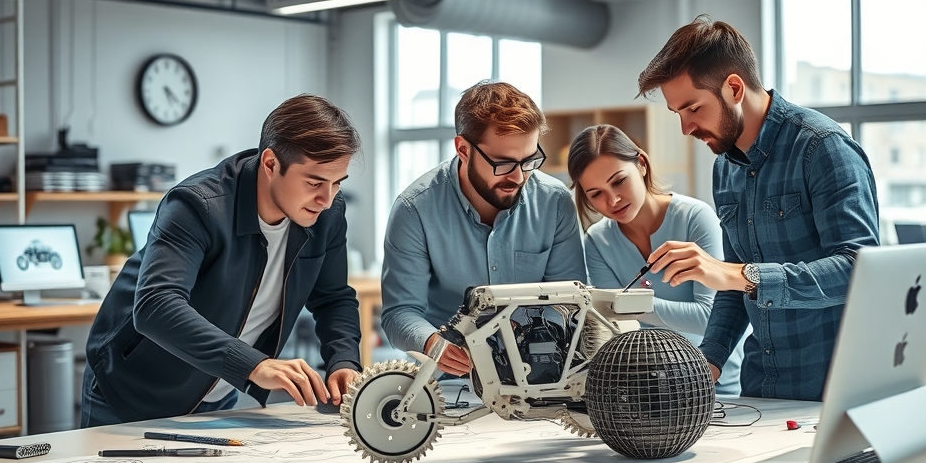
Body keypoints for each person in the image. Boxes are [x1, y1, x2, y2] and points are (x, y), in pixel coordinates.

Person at [81, 94, 364, 426]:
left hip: (217, 396)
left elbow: (332, 298)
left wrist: (344, 360)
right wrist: (255, 365)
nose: (326, 200)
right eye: (315, 182)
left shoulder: (326, 214)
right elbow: (156, 305)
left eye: (336, 184)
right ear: (271, 163)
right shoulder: (196, 205)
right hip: (130, 392)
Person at [638, 16, 880, 401]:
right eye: (677, 114)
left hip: (836, 392)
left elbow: (858, 268)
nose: (686, 127)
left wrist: (743, 274)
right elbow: (734, 289)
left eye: (693, 108)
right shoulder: (724, 169)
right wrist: (708, 363)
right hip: (763, 390)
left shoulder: (823, 147)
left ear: (734, 87)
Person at [381, 81, 588, 376]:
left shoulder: (554, 203)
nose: (518, 176)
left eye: (529, 161)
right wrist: (432, 343)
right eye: (503, 163)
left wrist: (530, 333)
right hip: (450, 382)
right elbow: (399, 312)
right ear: (463, 149)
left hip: (538, 377)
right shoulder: (414, 209)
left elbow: (571, 303)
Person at [567, 124, 744, 396]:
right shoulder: (596, 240)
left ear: (641, 164)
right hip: (648, 391)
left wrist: (626, 303)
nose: (612, 200)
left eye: (618, 181)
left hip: (718, 386)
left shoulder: (695, 218)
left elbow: (711, 318)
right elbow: (613, 328)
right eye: (596, 194)